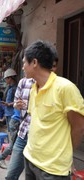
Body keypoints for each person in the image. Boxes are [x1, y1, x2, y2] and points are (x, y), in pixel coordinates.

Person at [22, 40, 84, 179]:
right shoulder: (33, 88)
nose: (23, 67)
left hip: (53, 169)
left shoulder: (65, 88)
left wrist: (67, 156)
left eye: (24, 62)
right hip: (30, 158)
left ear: (35, 63)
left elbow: (79, 128)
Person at [1, 68, 18, 132]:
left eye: (6, 79)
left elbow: (19, 101)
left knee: (12, 132)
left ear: (10, 78)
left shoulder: (15, 88)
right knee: (9, 132)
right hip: (8, 113)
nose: (5, 80)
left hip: (13, 114)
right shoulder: (9, 88)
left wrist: (9, 104)